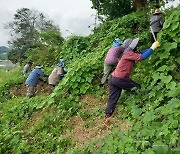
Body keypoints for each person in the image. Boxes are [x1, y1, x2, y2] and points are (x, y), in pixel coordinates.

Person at [105, 38, 160, 119]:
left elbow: (141, 53)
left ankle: (108, 114)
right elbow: (142, 57)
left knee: (113, 97)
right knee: (137, 88)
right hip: (120, 79)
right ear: (131, 47)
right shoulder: (128, 54)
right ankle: (143, 104)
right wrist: (152, 48)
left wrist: (152, 48)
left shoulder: (129, 53)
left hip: (113, 78)